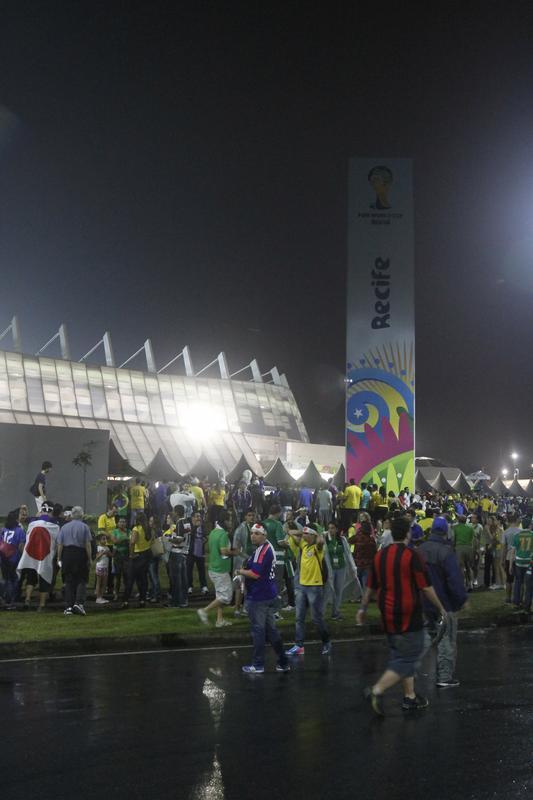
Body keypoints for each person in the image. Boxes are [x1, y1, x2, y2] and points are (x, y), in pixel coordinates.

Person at [357, 517, 447, 716]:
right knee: (410, 656)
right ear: (407, 533)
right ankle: (377, 690)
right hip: (408, 614)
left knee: (401, 653)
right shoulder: (412, 556)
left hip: (387, 614)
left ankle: (410, 696)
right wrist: (441, 607)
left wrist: (362, 609)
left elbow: (370, 586)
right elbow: (425, 586)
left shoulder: (381, 556)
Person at [418, 517, 468, 688]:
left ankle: (408, 671)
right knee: (447, 641)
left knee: (428, 638)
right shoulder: (446, 552)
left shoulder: (420, 550)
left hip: (424, 603)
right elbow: (455, 581)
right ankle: (445, 677)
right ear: (446, 531)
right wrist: (461, 601)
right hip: (445, 605)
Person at [237, 524, 291, 674]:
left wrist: (239, 571)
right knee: (271, 631)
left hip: (260, 597)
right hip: (268, 594)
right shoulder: (264, 548)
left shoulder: (264, 550)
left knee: (258, 631)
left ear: (264, 535)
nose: (253, 536)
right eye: (252, 533)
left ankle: (258, 664)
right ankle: (283, 662)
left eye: (257, 533)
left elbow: (255, 574)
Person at [285, 526, 332, 657]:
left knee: (316, 619)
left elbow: (321, 541)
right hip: (301, 587)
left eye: (307, 534)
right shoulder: (303, 545)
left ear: (313, 535)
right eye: (303, 534)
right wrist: (302, 532)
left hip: (314, 587)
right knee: (299, 618)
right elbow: (291, 533)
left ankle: (326, 641)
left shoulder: (318, 548)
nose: (304, 537)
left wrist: (316, 533)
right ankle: (299, 646)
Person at [17, 501, 60, 612]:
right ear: (52, 511)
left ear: (41, 510)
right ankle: (41, 605)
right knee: (44, 579)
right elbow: (56, 541)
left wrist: (26, 511)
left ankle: (27, 599)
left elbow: (22, 520)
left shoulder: (33, 521)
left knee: (30, 579)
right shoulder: (55, 524)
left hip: (31, 555)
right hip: (45, 556)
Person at [197, 511, 237, 627]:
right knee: (226, 597)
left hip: (213, 568)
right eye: (229, 520)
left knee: (220, 597)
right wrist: (236, 552)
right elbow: (224, 551)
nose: (230, 522)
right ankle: (204, 611)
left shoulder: (213, 532)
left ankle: (219, 621)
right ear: (225, 521)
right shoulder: (223, 534)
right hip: (221, 570)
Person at [56, 506, 92, 616]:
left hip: (67, 554)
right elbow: (87, 544)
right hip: (80, 553)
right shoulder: (85, 527)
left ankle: (68, 607)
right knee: (81, 579)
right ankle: (79, 603)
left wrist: (59, 558)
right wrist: (89, 558)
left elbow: (60, 544)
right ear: (81, 515)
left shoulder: (64, 527)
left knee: (68, 581)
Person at [121, 512, 153, 608]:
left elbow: (132, 542)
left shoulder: (136, 529)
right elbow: (152, 540)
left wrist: (131, 554)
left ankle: (126, 601)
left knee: (130, 579)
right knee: (142, 579)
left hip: (137, 555)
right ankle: (142, 600)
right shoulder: (148, 528)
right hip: (146, 554)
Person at [166, 505, 191, 608]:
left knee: (176, 579)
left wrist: (168, 539)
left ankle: (177, 602)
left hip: (177, 552)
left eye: (173, 511)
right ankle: (184, 600)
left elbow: (180, 539)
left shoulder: (180, 522)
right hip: (185, 552)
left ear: (176, 512)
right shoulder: (187, 522)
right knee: (183, 578)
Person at [0, 510, 26, 608]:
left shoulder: (3, 529)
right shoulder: (19, 530)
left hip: (3, 557)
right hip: (13, 558)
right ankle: (10, 601)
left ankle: (4, 596)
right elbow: (21, 547)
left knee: (5, 578)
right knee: (14, 579)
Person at [232, 509, 256, 615]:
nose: (251, 517)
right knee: (240, 586)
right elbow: (235, 548)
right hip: (241, 561)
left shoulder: (252, 528)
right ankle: (237, 609)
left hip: (249, 560)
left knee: (248, 585)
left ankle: (245, 607)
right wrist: (245, 557)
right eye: (249, 515)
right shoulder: (240, 529)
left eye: (253, 515)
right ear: (245, 517)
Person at [325, 521, 347, 619]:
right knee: (327, 590)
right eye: (329, 528)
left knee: (338, 591)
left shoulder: (341, 540)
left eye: (333, 528)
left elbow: (347, 553)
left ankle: (336, 612)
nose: (331, 530)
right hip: (330, 569)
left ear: (337, 529)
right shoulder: (325, 540)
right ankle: (321, 613)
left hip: (341, 568)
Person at [187, 511, 208, 596]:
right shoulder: (190, 526)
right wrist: (195, 527)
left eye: (200, 516)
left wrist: (205, 539)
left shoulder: (203, 527)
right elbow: (190, 536)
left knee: (202, 570)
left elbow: (205, 536)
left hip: (200, 552)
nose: (199, 518)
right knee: (189, 570)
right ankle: (189, 586)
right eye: (197, 516)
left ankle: (204, 586)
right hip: (191, 552)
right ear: (192, 518)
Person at [512, 522, 533, 609]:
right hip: (529, 562)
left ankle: (517, 602)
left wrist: (510, 563)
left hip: (519, 561)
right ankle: (527, 604)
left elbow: (513, 551)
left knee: (518, 582)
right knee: (529, 584)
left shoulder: (517, 535)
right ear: (529, 525)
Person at [453, 515, 476, 591]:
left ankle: (462, 584)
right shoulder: (470, 528)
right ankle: (471, 584)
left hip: (459, 548)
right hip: (469, 547)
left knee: (461, 567)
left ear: (458, 520)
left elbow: (453, 539)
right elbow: (473, 539)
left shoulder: (455, 528)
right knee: (469, 567)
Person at [111, 517, 130, 600]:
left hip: (126, 556)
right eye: (120, 522)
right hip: (117, 556)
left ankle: (126, 594)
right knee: (117, 576)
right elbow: (114, 541)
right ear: (117, 523)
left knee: (126, 576)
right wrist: (125, 539)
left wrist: (121, 540)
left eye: (124, 522)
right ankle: (116, 594)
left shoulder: (129, 531)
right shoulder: (114, 531)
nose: (122, 523)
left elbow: (131, 542)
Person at [95, 533, 112, 605]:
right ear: (99, 540)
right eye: (103, 539)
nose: (105, 540)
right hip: (100, 567)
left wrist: (108, 553)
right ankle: (98, 597)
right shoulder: (98, 548)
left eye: (106, 539)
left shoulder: (107, 548)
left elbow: (111, 555)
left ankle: (101, 597)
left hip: (106, 567)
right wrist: (102, 553)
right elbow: (96, 558)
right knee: (99, 582)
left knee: (104, 583)